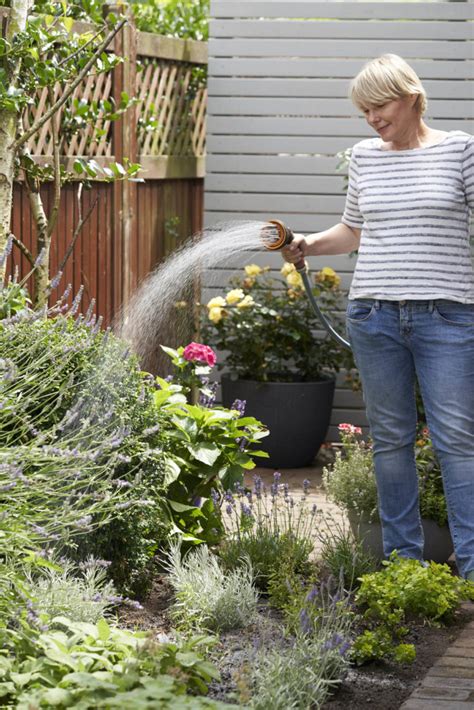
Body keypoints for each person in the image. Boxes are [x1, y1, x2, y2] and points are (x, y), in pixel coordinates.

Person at [282, 53, 474, 582]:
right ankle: (403, 564)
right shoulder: (366, 157)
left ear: (411, 95)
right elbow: (353, 231)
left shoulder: (460, 149)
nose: (371, 118)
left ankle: (472, 567)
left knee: (456, 439)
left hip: (448, 315)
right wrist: (308, 244)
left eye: (379, 105)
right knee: (390, 440)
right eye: (364, 110)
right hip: (375, 314)